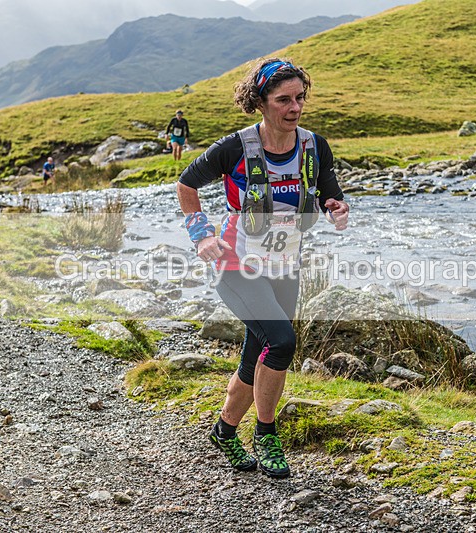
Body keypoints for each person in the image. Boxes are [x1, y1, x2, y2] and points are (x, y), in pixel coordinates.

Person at [176, 58, 349, 478]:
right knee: (283, 341)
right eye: (284, 100)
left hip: (286, 264)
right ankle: (267, 433)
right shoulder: (235, 147)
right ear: (261, 102)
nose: (295, 108)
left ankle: (224, 430)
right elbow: (186, 185)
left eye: (300, 98)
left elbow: (329, 189)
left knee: (260, 351)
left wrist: (336, 207)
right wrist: (202, 235)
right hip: (236, 264)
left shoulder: (314, 145)